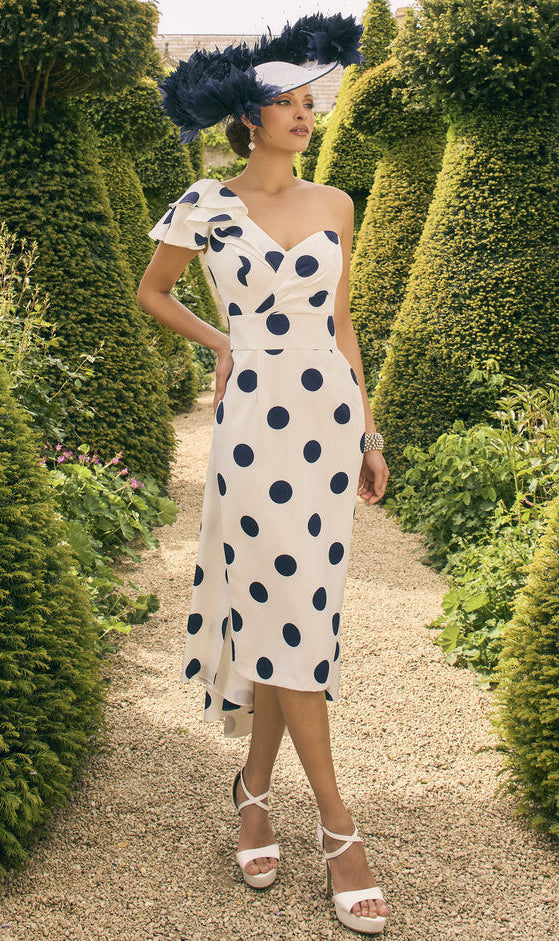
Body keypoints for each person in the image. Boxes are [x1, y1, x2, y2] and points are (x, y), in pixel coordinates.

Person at [137, 14, 390, 934]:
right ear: (247, 118)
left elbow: (343, 325)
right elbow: (152, 292)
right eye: (284, 103)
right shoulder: (202, 201)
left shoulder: (337, 205)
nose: (304, 114)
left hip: (326, 422)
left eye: (307, 101)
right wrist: (224, 344)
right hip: (252, 429)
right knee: (287, 612)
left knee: (301, 617)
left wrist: (368, 429)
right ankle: (338, 828)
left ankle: (251, 789)